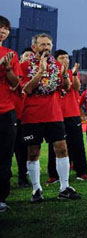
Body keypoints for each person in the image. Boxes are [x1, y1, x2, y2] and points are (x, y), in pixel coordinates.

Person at [20, 33, 81, 202]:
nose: (46, 48)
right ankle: (36, 189)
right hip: (32, 115)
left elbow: (66, 87)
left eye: (48, 45)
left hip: (54, 114)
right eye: (42, 45)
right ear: (34, 47)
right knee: (33, 152)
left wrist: (66, 74)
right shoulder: (25, 65)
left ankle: (64, 187)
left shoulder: (56, 65)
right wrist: (40, 71)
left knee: (62, 149)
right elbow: (27, 89)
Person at [46, 50, 87, 183]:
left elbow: (76, 87)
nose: (65, 59)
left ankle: (81, 172)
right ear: (55, 60)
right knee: (54, 145)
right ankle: (54, 174)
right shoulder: (50, 74)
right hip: (55, 114)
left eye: (66, 57)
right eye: (61, 57)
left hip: (72, 114)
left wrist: (74, 73)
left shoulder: (71, 73)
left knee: (77, 144)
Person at [0, 16, 22, 213]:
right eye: (0, 27)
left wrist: (7, 68)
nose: (3, 31)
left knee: (4, 156)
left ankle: (1, 198)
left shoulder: (11, 55)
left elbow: (15, 84)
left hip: (6, 111)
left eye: (5, 28)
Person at [13, 48, 33, 188]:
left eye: (31, 57)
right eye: (26, 56)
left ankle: (22, 177)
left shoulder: (35, 77)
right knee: (6, 149)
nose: (28, 59)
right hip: (11, 117)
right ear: (20, 58)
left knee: (23, 149)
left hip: (26, 119)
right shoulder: (13, 74)